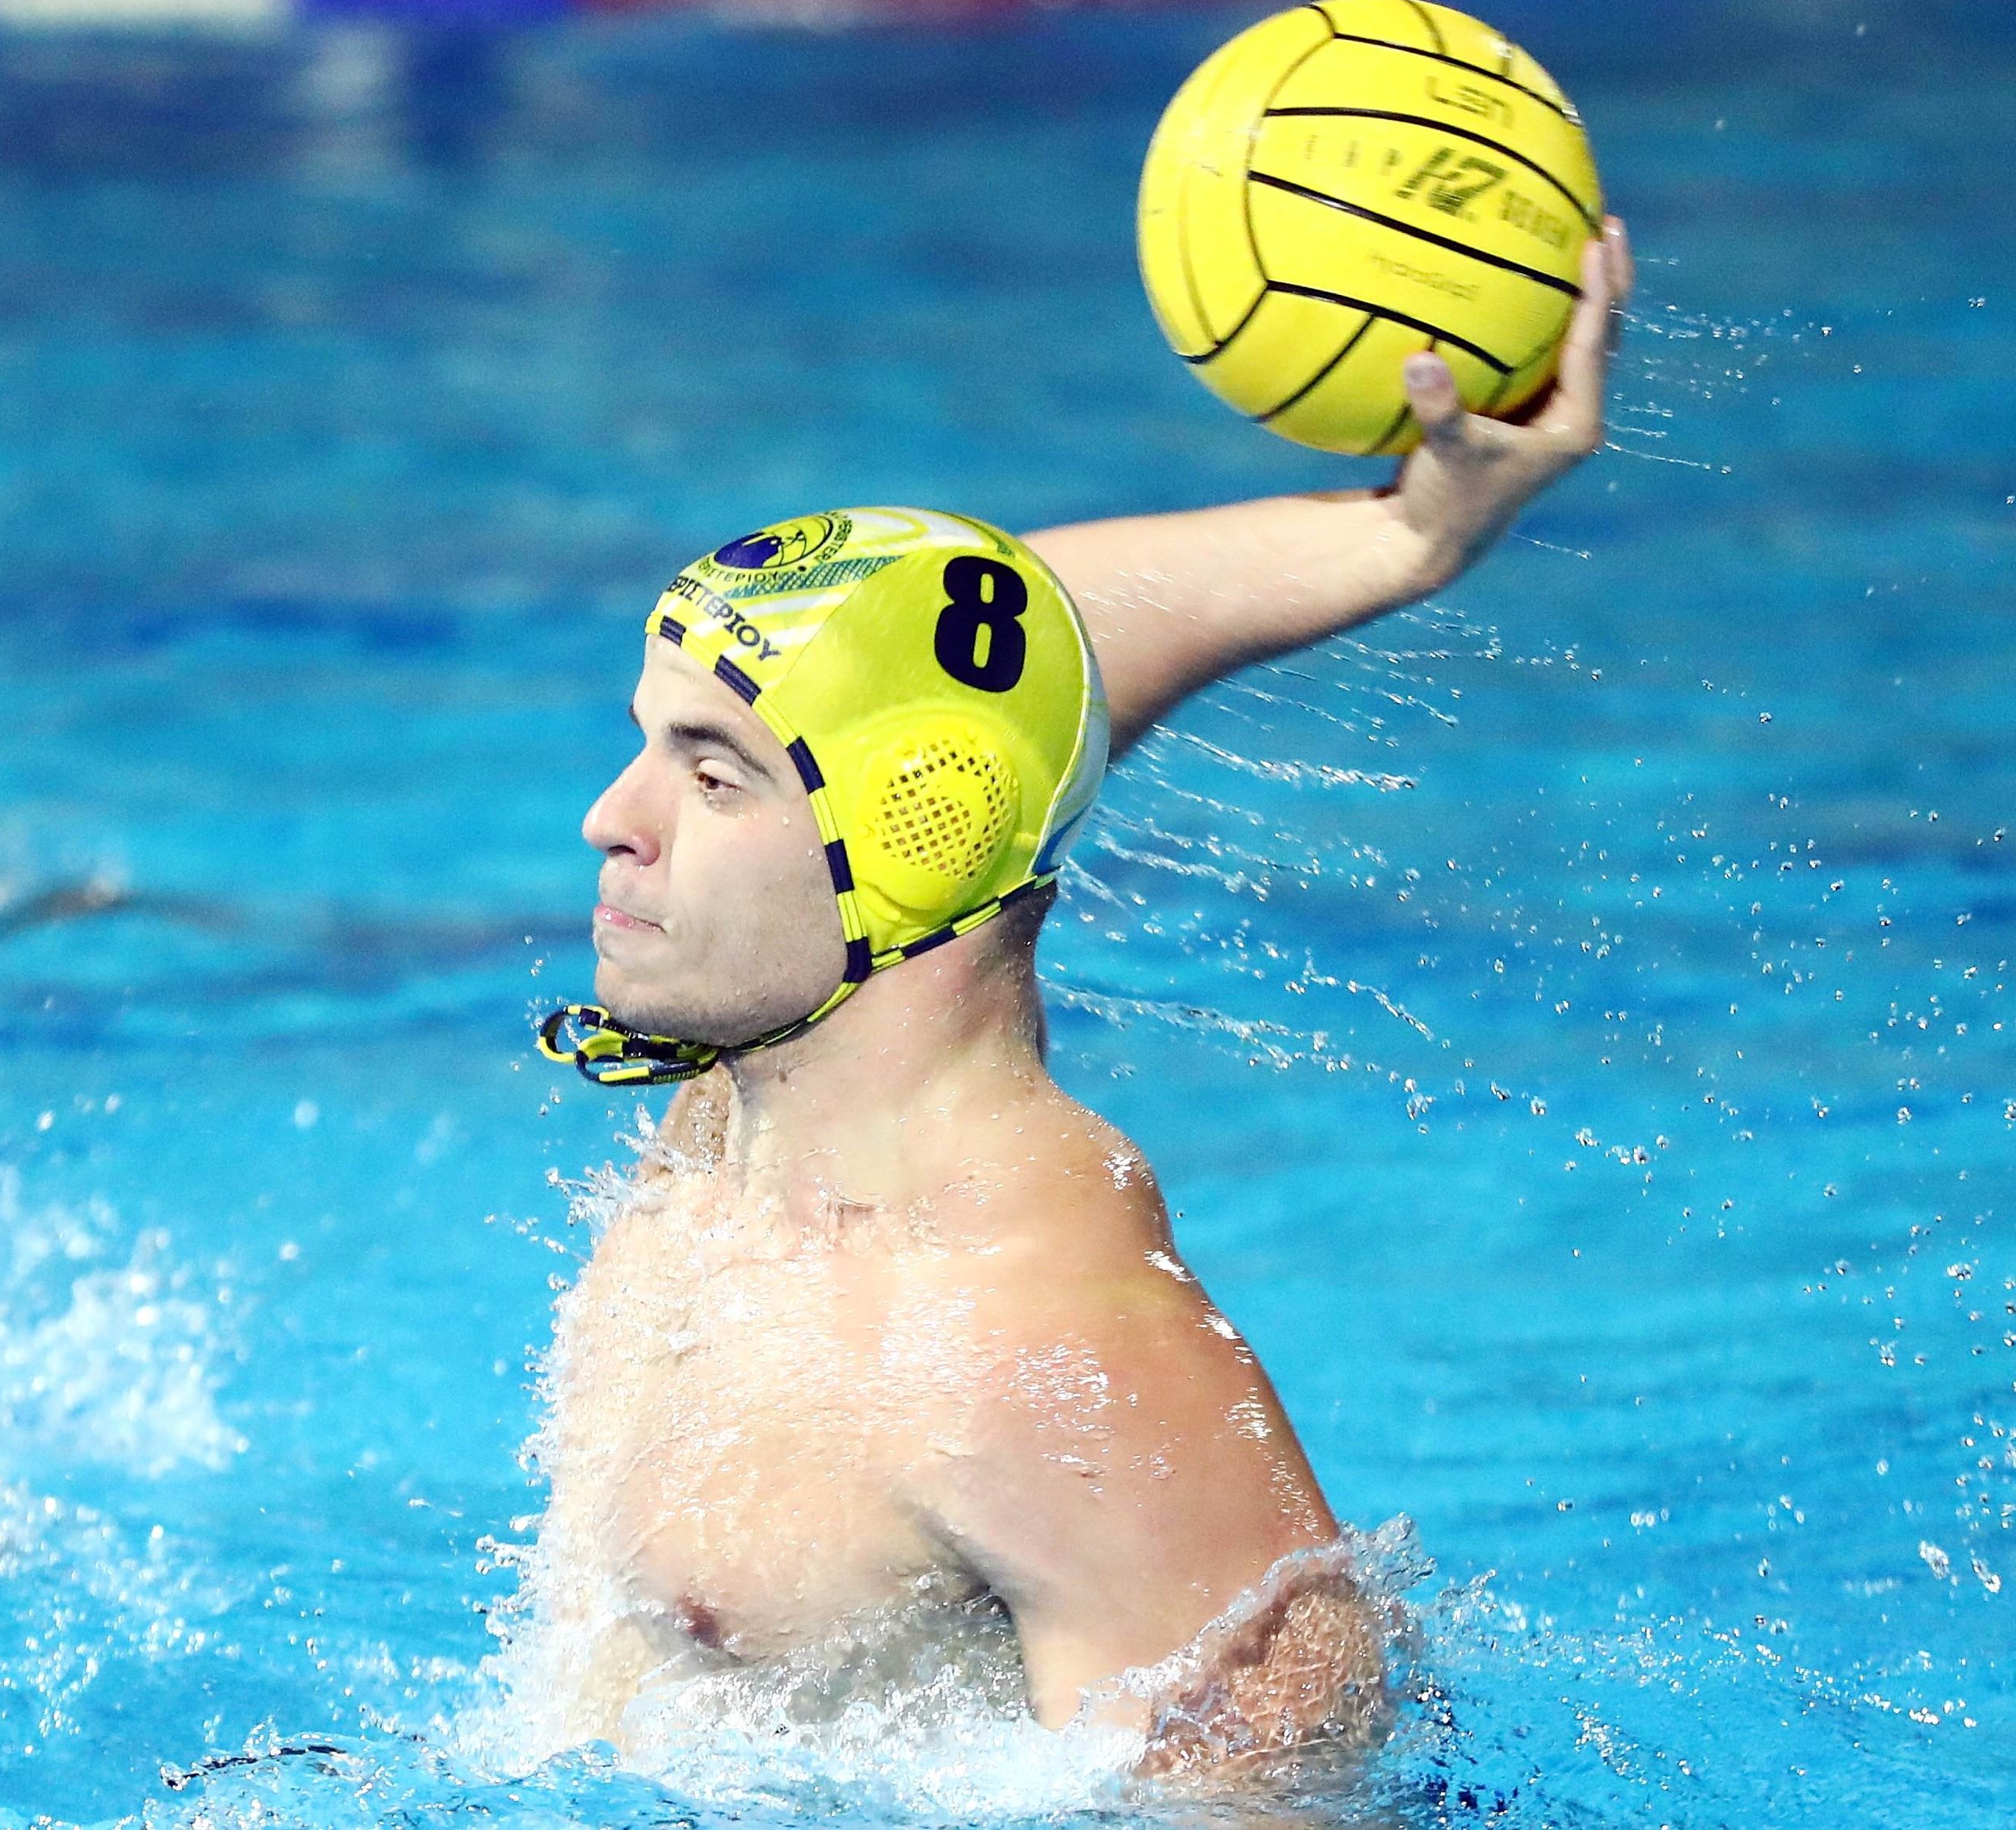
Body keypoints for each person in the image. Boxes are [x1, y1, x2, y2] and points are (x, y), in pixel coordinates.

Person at [522, 225, 1634, 1774]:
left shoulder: (1048, 1359)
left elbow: (1277, 1793)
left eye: (710, 775)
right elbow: (1015, 652)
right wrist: (1404, 538)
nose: (609, 817)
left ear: (919, 841)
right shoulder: (754, 1114)